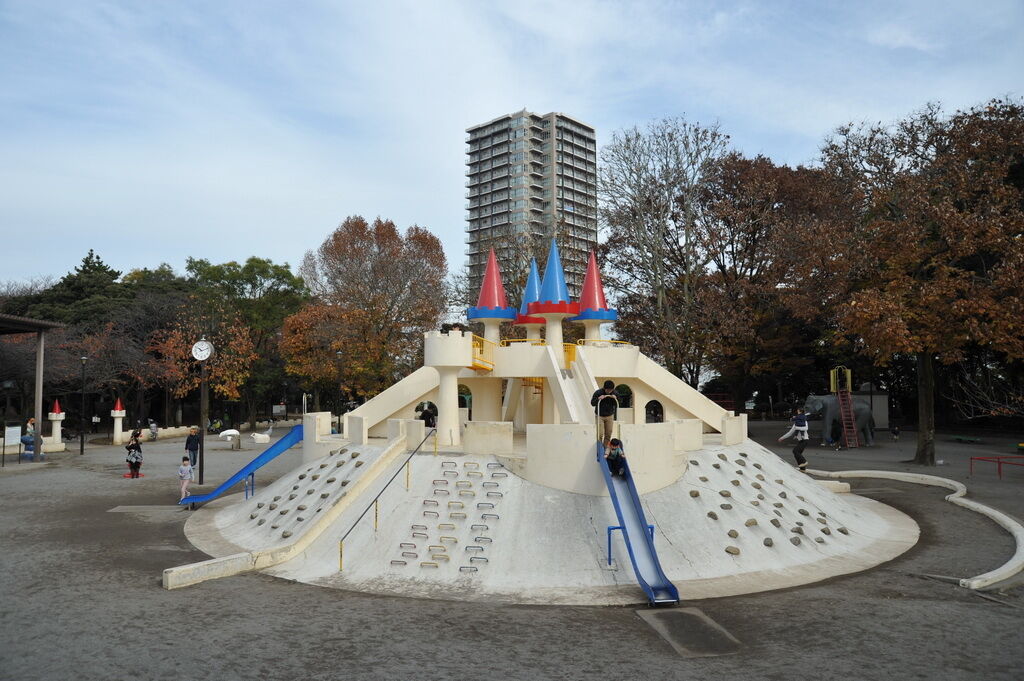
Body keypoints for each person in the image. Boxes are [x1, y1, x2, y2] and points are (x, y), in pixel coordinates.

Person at [591, 380, 619, 447]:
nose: (609, 392)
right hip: (600, 416)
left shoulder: (615, 393)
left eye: (611, 390)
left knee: (608, 433)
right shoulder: (598, 392)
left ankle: (605, 448)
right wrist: (598, 398)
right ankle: (599, 448)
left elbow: (618, 403)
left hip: (610, 415)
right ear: (604, 388)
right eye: (608, 390)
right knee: (600, 434)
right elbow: (592, 403)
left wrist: (616, 398)